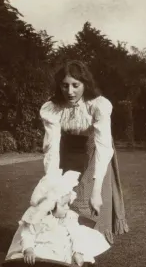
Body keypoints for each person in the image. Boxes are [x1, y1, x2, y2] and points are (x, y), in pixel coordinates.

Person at [39, 60, 129, 246]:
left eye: (75, 85)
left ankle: (87, 253)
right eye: (65, 86)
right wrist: (51, 183)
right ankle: (69, 250)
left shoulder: (98, 105)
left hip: (95, 151)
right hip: (67, 151)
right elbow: (51, 148)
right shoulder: (52, 107)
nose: (70, 91)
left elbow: (103, 146)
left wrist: (96, 191)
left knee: (90, 201)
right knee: (64, 200)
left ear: (85, 84)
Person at [5, 170, 111, 266]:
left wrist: (76, 251)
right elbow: (27, 234)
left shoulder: (68, 217)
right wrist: (28, 249)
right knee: (38, 254)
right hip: (43, 246)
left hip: (62, 244)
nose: (67, 208)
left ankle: (76, 255)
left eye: (68, 204)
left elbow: (75, 234)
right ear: (51, 206)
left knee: (77, 238)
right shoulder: (37, 219)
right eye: (64, 205)